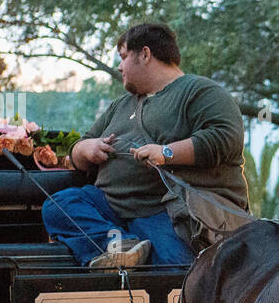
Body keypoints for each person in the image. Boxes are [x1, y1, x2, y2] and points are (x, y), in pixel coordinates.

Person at [43, 21, 250, 268]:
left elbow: (226, 138)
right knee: (58, 206)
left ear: (145, 54)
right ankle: (121, 247)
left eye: (123, 57)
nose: (119, 67)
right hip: (108, 209)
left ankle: (127, 251)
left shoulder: (200, 91)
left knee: (174, 271)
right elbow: (80, 146)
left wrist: (166, 153)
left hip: (164, 212)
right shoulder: (120, 106)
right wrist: (84, 150)